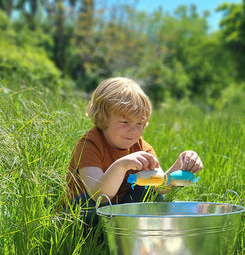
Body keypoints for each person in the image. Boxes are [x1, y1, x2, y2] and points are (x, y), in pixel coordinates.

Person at [65, 77, 203, 226]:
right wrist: (121, 166)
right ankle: (102, 237)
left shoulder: (142, 148)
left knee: (152, 194)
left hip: (119, 211)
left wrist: (180, 166)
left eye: (139, 123)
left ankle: (130, 231)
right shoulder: (89, 145)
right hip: (84, 213)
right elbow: (100, 196)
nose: (133, 130)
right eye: (124, 122)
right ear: (102, 118)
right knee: (89, 205)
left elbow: (160, 186)